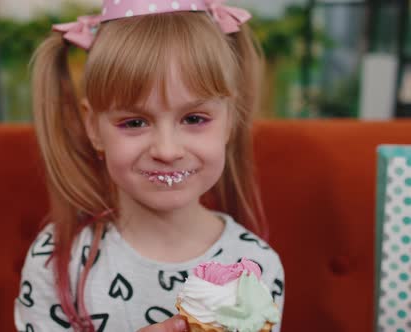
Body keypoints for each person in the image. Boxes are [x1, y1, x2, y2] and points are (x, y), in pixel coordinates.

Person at [15, 0, 285, 331]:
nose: (167, 150)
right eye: (134, 122)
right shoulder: (56, 260)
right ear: (93, 128)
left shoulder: (257, 267)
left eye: (194, 118)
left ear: (230, 121)